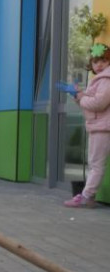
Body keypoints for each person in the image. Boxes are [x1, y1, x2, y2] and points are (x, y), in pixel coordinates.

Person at [57, 43, 110, 207]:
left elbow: (99, 103)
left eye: (103, 60)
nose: (99, 65)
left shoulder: (106, 80)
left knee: (96, 165)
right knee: (95, 163)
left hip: (103, 127)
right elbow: (90, 103)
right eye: (95, 62)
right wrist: (78, 94)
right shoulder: (100, 80)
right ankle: (89, 196)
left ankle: (86, 196)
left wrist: (81, 97)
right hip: (99, 125)